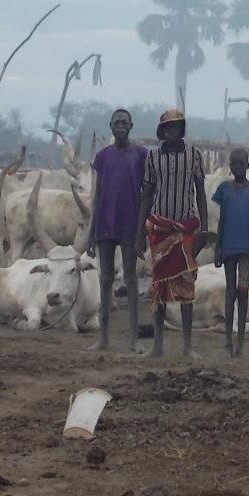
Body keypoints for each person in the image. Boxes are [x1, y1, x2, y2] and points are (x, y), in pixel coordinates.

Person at [135, 109, 208, 359]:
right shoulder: (153, 158)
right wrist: (138, 232)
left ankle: (188, 346)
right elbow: (146, 195)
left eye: (175, 127)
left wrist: (204, 229)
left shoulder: (194, 155)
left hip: (185, 228)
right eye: (166, 127)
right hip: (159, 228)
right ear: (162, 131)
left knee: (187, 283)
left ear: (181, 129)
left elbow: (200, 192)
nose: (170, 131)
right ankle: (158, 345)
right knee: (159, 285)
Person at [87, 108, 148, 352]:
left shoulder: (141, 155)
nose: (120, 126)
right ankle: (104, 338)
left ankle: (133, 340)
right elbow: (98, 194)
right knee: (105, 279)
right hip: (105, 221)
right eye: (116, 122)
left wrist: (142, 231)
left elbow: (146, 194)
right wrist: (91, 232)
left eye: (124, 122)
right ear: (110, 126)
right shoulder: (103, 157)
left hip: (130, 222)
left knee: (131, 278)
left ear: (131, 126)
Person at [212, 148, 249, 357]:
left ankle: (241, 345)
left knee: (243, 292)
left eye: (241, 164)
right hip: (228, 247)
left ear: (248, 165)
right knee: (229, 293)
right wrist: (217, 249)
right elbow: (222, 221)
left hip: (247, 249)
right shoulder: (224, 189)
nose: (237, 167)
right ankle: (227, 343)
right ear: (230, 167)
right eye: (234, 164)